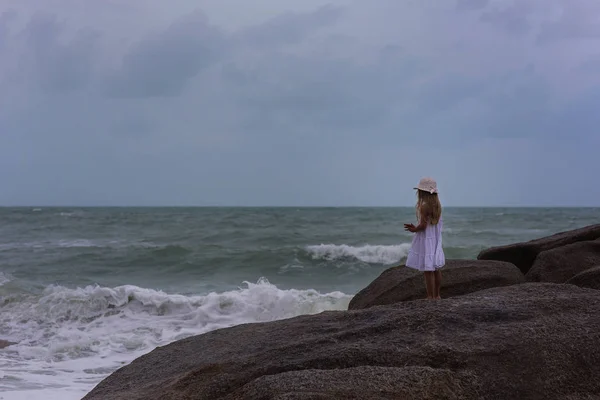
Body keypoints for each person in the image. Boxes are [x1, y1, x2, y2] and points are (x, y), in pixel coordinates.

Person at [404, 177, 445, 300]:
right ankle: (437, 295)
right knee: (436, 269)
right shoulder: (437, 205)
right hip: (436, 239)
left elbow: (423, 226)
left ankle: (430, 296)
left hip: (427, 240)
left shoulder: (424, 206)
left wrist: (414, 229)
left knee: (428, 271)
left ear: (422, 192)